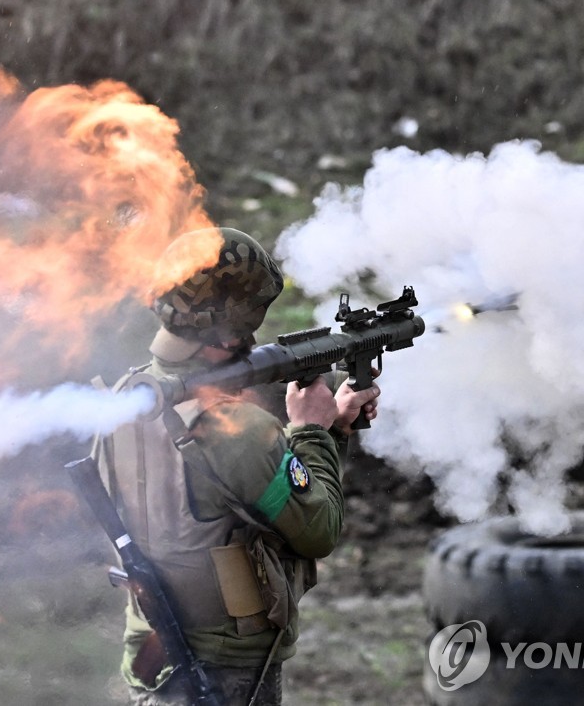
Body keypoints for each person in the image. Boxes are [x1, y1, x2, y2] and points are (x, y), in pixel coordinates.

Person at [93, 227, 380, 705]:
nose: (252, 335)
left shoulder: (124, 397)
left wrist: (335, 430)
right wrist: (309, 431)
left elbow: (226, 489)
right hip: (225, 673)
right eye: (247, 323)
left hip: (155, 654)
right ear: (224, 332)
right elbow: (318, 530)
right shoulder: (237, 430)